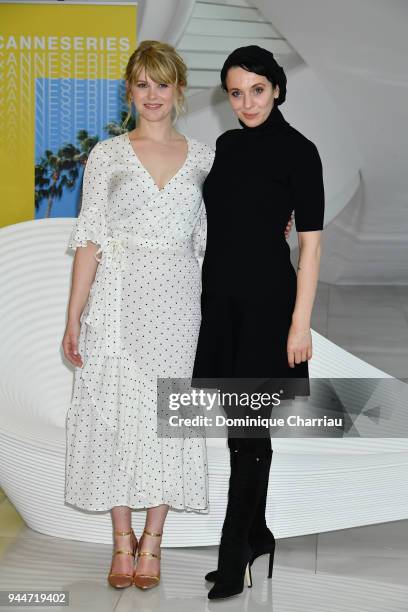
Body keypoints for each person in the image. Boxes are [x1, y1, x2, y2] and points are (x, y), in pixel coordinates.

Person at [61, 40, 217, 591]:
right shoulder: (106, 154)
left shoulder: (205, 158)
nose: (153, 95)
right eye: (142, 84)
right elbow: (89, 240)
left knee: (168, 417)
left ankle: (154, 541)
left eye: (163, 83)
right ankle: (121, 541)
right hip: (117, 302)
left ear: (179, 89)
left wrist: (278, 225)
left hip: (179, 303)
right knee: (116, 415)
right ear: (129, 90)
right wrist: (74, 315)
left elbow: (219, 235)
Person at [192, 45, 325, 600]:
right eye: (236, 92)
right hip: (220, 304)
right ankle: (258, 533)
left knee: (247, 434)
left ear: (276, 88)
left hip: (269, 306)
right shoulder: (224, 146)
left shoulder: (300, 152)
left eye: (258, 90)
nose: (247, 102)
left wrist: (300, 324)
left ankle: (234, 554)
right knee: (243, 432)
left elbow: (312, 246)